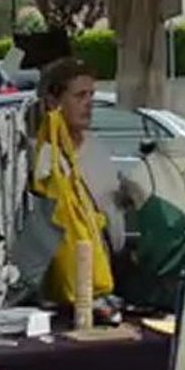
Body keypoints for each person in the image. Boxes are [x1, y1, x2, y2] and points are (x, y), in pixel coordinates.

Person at [35, 56, 127, 254]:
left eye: (91, 95)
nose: (89, 103)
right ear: (53, 102)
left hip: (107, 266)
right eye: (80, 96)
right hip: (69, 272)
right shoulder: (43, 157)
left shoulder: (98, 148)